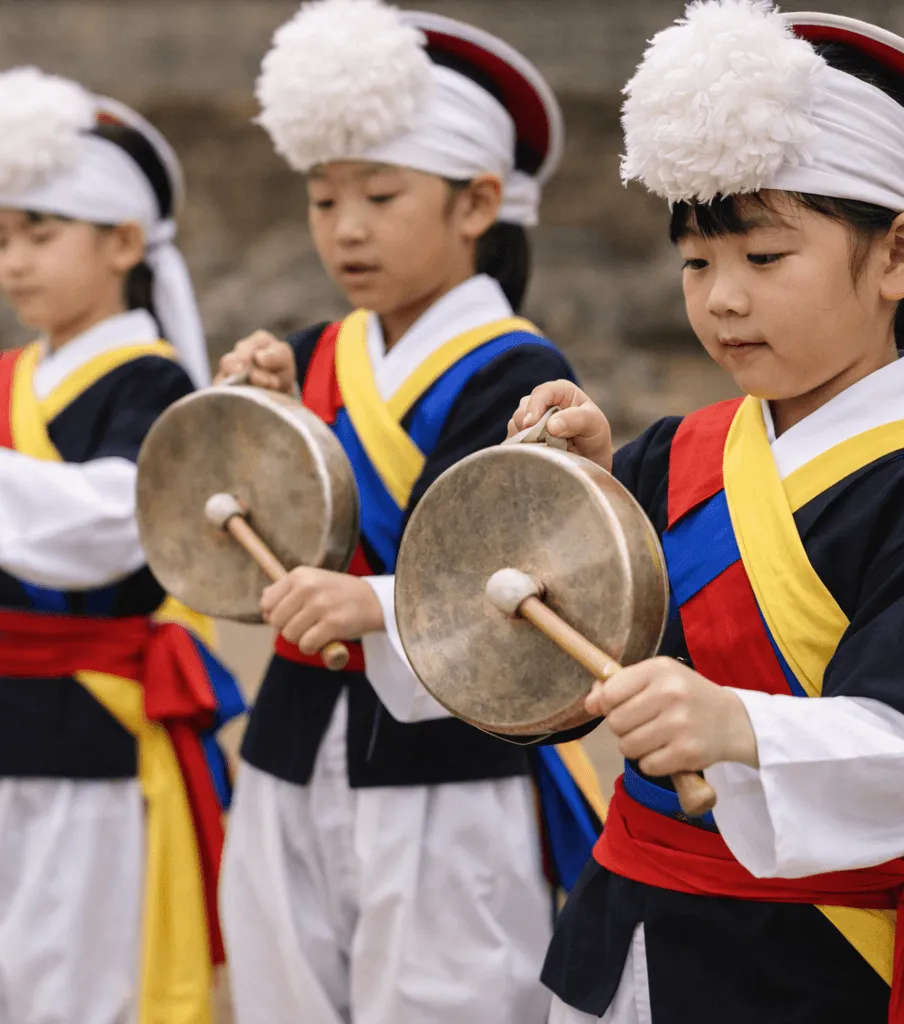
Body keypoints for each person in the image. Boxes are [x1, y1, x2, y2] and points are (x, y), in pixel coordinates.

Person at [518, 4, 904, 1022]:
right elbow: (536, 604)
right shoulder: (678, 455)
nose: (722, 298)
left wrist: (736, 723)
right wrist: (583, 489)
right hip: (627, 928)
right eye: (697, 262)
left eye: (763, 259)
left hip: (816, 966)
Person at [216, 3, 603, 1021]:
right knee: (282, 977)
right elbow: (242, 531)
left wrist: (374, 605)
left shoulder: (519, 370)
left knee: (446, 989)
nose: (345, 227)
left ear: (478, 202)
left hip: (449, 760)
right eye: (323, 198)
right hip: (292, 736)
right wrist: (251, 420)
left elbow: (527, 569)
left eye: (380, 195)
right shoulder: (311, 356)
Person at [0, 67, 239, 1024]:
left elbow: (129, 513)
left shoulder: (152, 385)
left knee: (71, 967)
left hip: (83, 720)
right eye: (1, 235)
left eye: (41, 233)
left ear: (125, 242)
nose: (14, 260)